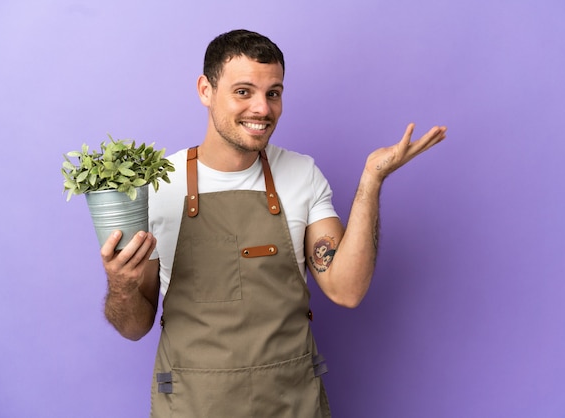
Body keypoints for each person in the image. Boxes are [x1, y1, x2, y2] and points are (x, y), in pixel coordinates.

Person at [100, 29, 447, 417]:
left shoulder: (302, 175)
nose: (262, 109)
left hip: (291, 402)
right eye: (243, 92)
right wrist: (121, 285)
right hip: (193, 404)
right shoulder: (160, 185)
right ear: (205, 90)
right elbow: (134, 327)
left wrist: (372, 179)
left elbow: (347, 290)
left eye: (274, 93)